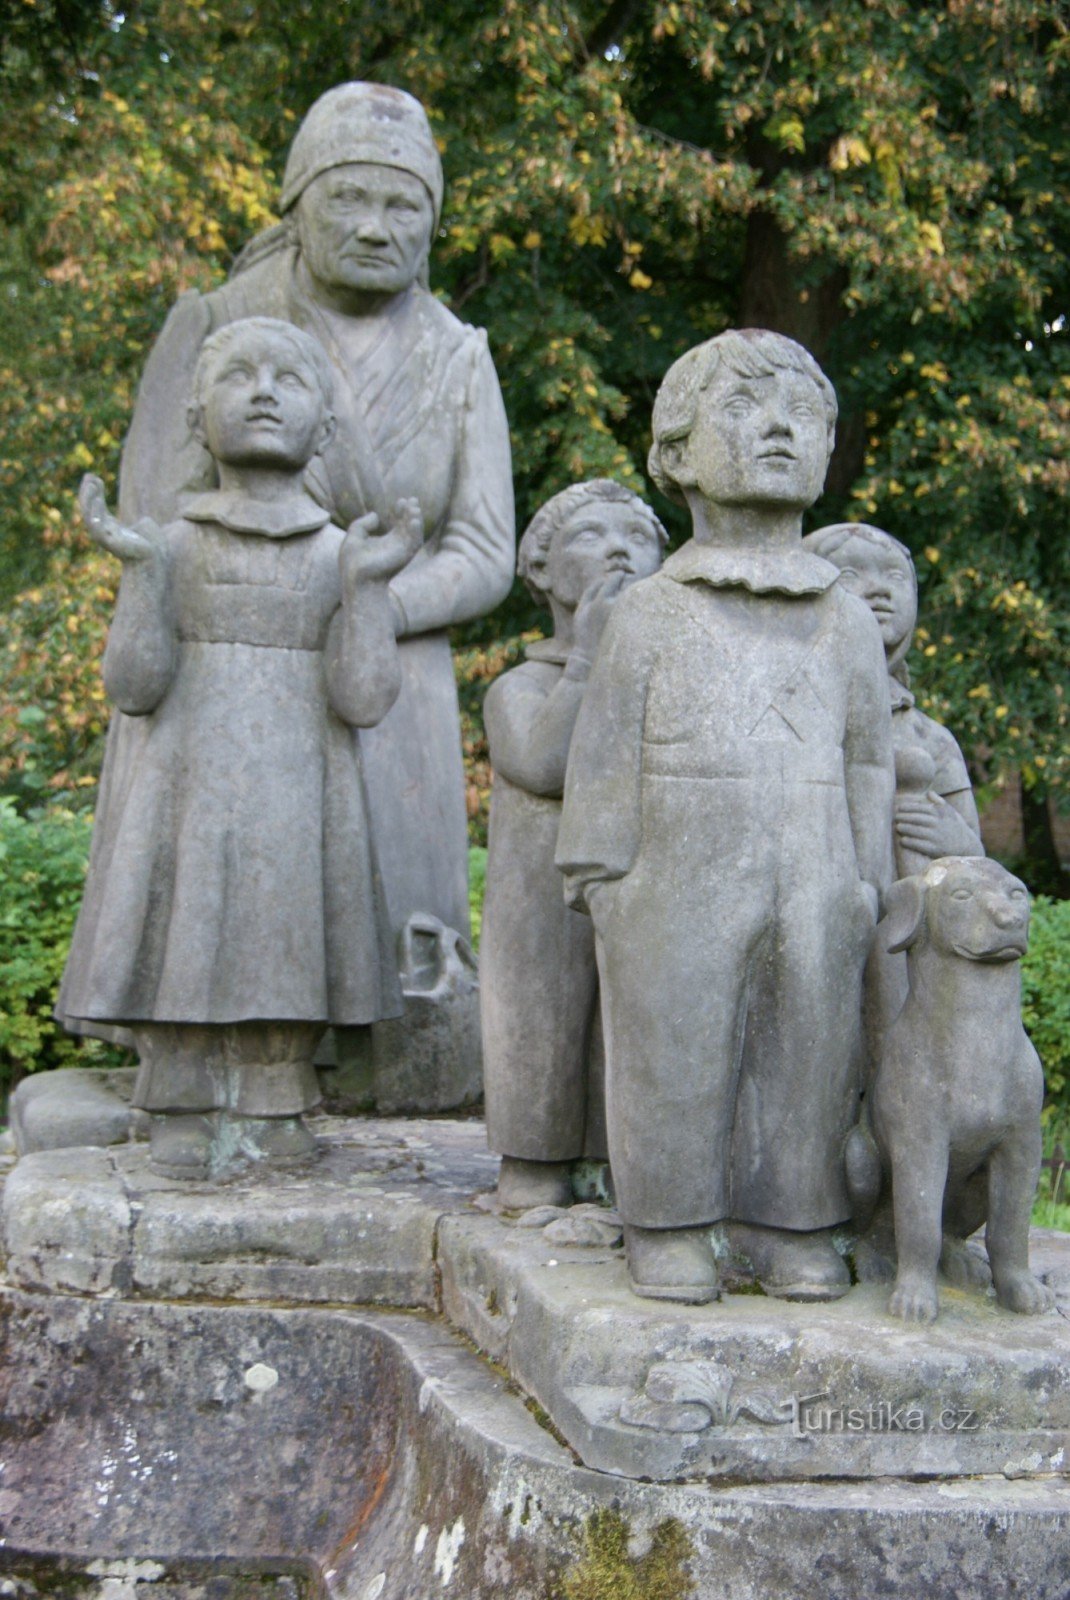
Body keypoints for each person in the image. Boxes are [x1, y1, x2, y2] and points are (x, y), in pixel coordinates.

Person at [113, 83, 515, 1096]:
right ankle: (194, 1054)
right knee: (219, 895)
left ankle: (402, 1062)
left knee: (391, 917)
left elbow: (482, 545)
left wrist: (370, 604)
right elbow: (156, 511)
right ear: (298, 205)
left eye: (404, 206)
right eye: (348, 201)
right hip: (221, 659)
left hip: (388, 669)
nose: (376, 227)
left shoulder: (457, 355)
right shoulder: (218, 324)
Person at [556, 329, 895, 1305]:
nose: (780, 426)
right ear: (674, 452)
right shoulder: (649, 612)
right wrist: (599, 872)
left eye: (803, 412)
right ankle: (669, 1220)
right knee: (675, 1041)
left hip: (817, 867)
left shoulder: (842, 619)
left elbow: (867, 757)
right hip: (668, 869)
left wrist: (865, 878)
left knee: (810, 1052)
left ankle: (793, 1222)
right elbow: (605, 747)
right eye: (743, 408)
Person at [59, 317, 420, 1178]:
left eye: (288, 379)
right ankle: (182, 1095)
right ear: (197, 419)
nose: (263, 392)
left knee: (287, 919)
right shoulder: (171, 545)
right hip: (186, 783)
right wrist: (140, 579)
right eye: (239, 376)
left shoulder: (341, 553)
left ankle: (275, 1095)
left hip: (303, 785)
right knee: (183, 921)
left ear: (324, 429)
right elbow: (134, 688)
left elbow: (364, 698)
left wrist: (369, 590)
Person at [480, 481, 667, 1210]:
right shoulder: (520, 686)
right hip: (539, 891)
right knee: (542, 1018)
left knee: (631, 1020)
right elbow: (545, 763)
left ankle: (622, 1166)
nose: (619, 547)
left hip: (634, 877)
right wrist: (589, 660)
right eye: (589, 534)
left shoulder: (668, 682)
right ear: (542, 570)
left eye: (640, 536)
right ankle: (534, 1162)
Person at [801, 522, 982, 878]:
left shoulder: (931, 739)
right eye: (851, 573)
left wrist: (960, 843)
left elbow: (980, 867)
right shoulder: (789, 717)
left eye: (896, 577)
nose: (880, 589)